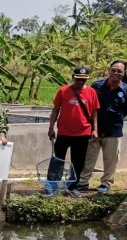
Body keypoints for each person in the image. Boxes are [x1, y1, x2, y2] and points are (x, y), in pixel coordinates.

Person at [77, 60, 127, 194]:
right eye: (113, 70)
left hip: (114, 131)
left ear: (124, 73)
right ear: (109, 71)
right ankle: (83, 182)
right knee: (88, 158)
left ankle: (105, 184)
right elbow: (89, 105)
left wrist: (116, 118)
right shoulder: (97, 86)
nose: (116, 73)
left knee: (111, 161)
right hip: (94, 129)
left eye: (119, 71)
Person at [45, 66, 100, 197]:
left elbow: (94, 112)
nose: (81, 82)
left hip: (83, 134)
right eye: (78, 79)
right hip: (64, 133)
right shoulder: (63, 91)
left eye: (84, 80)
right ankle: (52, 186)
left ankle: (72, 186)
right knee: (57, 160)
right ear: (73, 77)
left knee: (78, 162)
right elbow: (55, 110)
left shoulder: (92, 92)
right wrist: (51, 128)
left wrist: (95, 130)